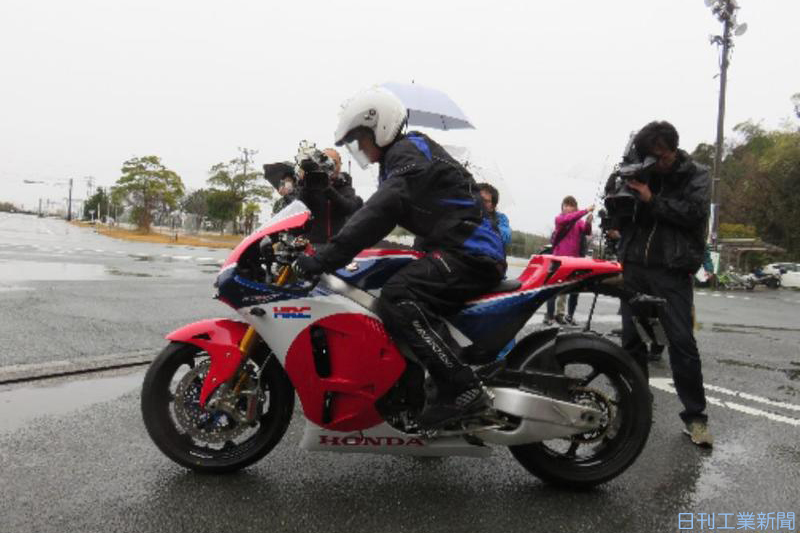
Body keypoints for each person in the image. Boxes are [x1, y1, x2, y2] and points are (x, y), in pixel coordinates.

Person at [294, 87, 506, 428]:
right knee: (385, 277)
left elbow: (380, 210)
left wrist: (326, 258)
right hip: (456, 249)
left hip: (472, 254)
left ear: (380, 127)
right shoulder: (402, 158)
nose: (361, 148)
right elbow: (382, 215)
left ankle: (462, 387)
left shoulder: (408, 154)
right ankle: (418, 386)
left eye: (361, 139)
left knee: (398, 295)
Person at [613, 120, 713, 447]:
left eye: (662, 156)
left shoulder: (695, 174)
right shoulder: (640, 171)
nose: (658, 162)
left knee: (682, 342)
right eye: (651, 156)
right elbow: (620, 216)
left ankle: (695, 417)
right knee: (632, 341)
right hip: (635, 266)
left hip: (672, 269)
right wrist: (620, 193)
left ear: (673, 148)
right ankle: (635, 406)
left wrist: (651, 198)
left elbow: (694, 213)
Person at [543, 196, 593, 326]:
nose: (567, 208)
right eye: (565, 205)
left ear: (575, 208)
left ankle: (564, 315)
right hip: (558, 260)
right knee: (553, 288)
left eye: (570, 205)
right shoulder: (559, 219)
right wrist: (585, 211)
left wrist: (588, 222)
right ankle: (549, 316)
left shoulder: (579, 222)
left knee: (571, 289)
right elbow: (569, 218)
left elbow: (587, 231)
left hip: (573, 262)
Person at [476, 183, 511, 248]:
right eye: (479, 198)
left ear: (493, 206)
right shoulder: (465, 211)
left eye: (485, 201)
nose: (480, 202)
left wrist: (485, 225)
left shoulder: (500, 218)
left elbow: (505, 236)